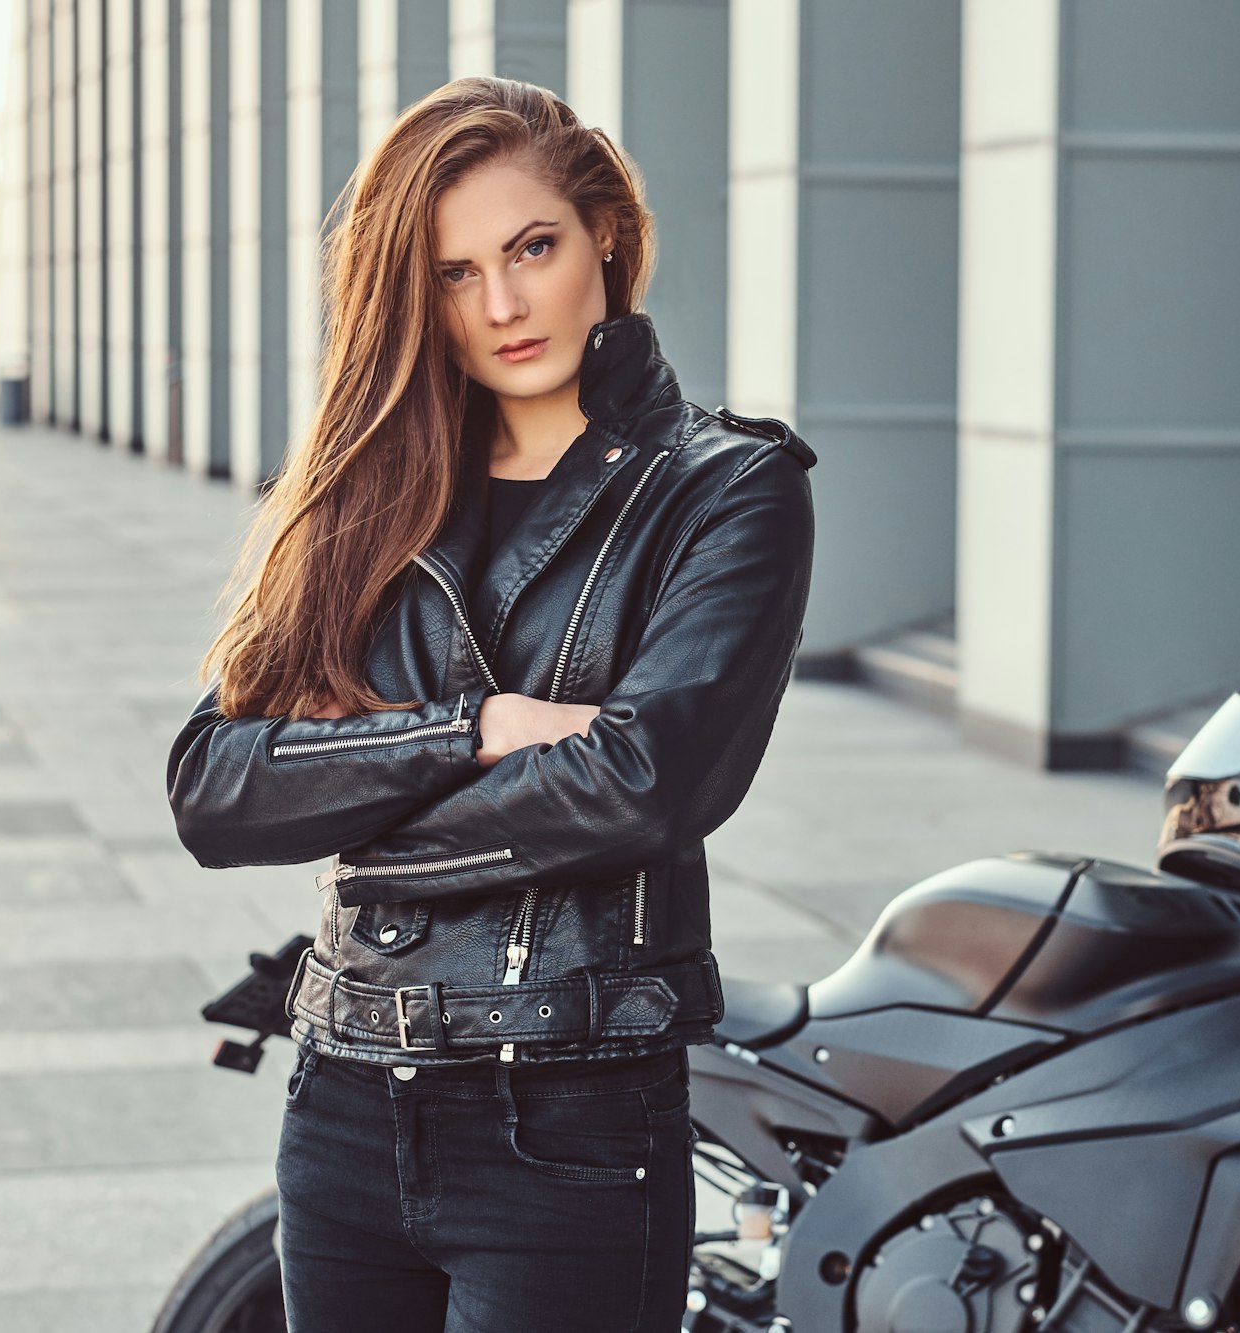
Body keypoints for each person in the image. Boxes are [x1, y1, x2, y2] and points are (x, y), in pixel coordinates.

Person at [163, 75, 817, 1332]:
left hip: (567, 1121)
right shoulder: (364, 492)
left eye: (531, 247)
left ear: (605, 237)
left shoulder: (726, 490)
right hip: (345, 1103)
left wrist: (355, 824)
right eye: (455, 273)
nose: (503, 304)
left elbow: (643, 786)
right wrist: (477, 729)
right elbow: (213, 784)